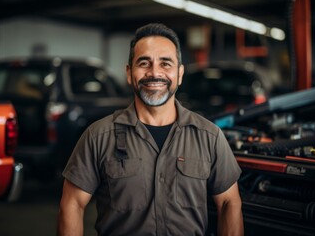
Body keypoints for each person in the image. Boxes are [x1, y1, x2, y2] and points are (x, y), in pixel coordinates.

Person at [58, 23, 244, 236]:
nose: (154, 72)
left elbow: (229, 202)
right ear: (129, 73)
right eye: (144, 63)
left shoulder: (209, 137)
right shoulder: (98, 137)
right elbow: (72, 204)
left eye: (165, 64)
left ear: (180, 74)